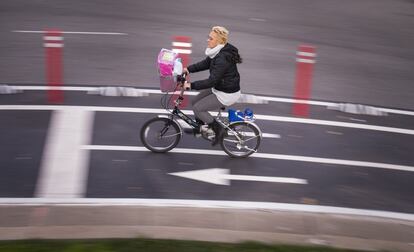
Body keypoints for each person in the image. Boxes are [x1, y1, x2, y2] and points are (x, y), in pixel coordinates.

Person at [183, 26, 242, 146]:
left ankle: (219, 131)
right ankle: (200, 129)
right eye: (208, 37)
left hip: (227, 93)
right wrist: (188, 69)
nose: (207, 40)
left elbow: (211, 81)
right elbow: (206, 63)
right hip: (220, 87)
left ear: (219, 41)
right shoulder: (217, 52)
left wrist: (191, 85)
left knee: (198, 108)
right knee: (194, 101)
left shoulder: (222, 58)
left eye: (211, 38)